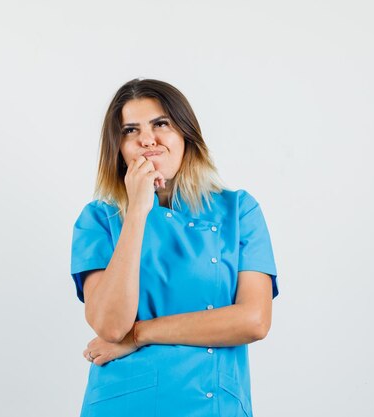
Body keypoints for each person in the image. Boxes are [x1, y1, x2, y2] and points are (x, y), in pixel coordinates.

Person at [69, 78, 279, 417]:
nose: (146, 139)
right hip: (123, 404)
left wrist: (139, 335)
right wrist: (137, 210)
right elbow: (109, 326)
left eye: (160, 124)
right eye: (130, 131)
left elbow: (254, 320)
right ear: (118, 148)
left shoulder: (239, 211)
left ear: (185, 133)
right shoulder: (99, 219)